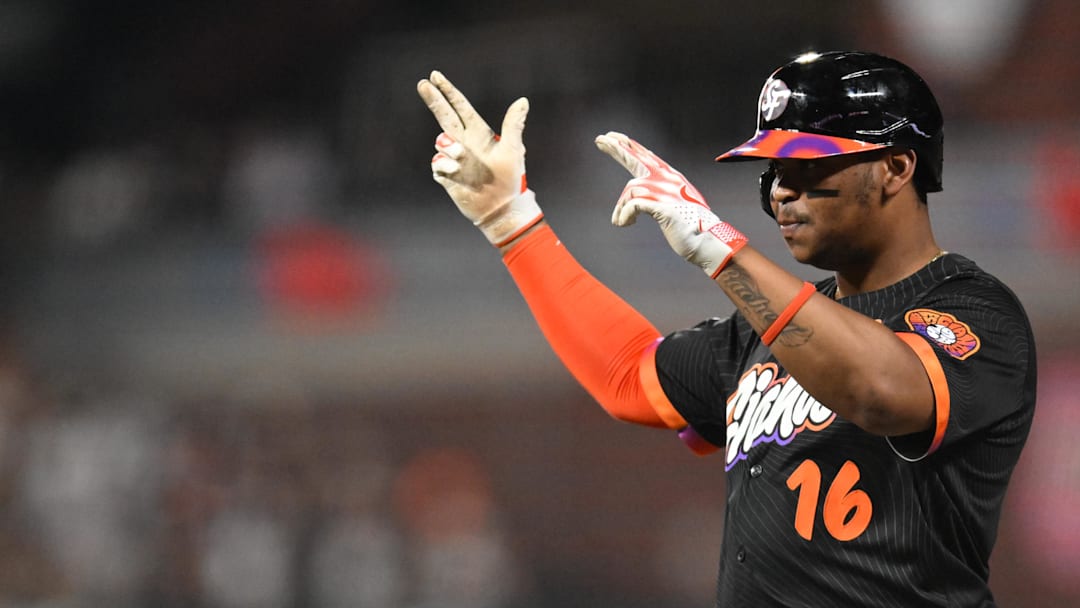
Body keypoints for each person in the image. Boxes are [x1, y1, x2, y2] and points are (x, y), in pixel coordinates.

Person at [416, 50, 1036, 607]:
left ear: (897, 167)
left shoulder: (975, 313)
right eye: (772, 171)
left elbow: (878, 389)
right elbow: (629, 376)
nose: (781, 192)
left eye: (807, 165)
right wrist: (511, 220)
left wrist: (718, 248)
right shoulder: (763, 330)